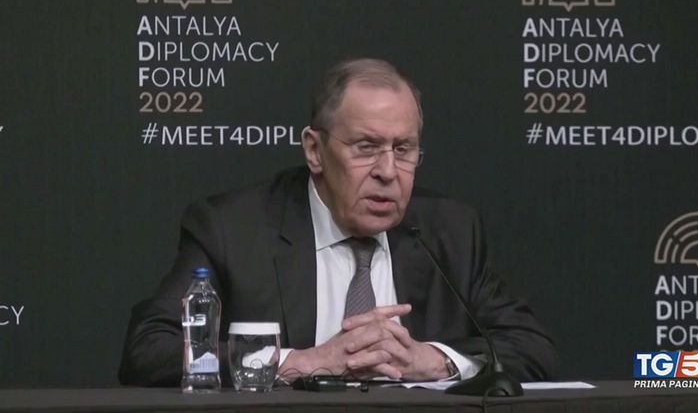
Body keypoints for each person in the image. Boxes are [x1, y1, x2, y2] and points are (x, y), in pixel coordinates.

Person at [118, 58, 557, 386]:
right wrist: (302, 362)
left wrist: (434, 361)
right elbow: (149, 349)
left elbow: (532, 347)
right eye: (366, 147)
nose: (388, 171)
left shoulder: (449, 232)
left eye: (403, 149)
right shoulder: (233, 229)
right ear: (315, 151)